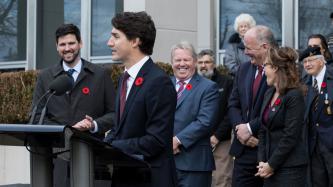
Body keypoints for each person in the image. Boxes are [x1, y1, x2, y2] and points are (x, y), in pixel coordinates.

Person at [31, 23, 116, 187]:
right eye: (62, 44)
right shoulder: (46, 77)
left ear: (80, 43)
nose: (67, 48)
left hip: (94, 157)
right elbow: (36, 117)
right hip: (57, 159)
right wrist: (66, 131)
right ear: (57, 47)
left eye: (71, 43)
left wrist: (94, 125)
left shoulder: (100, 75)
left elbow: (114, 114)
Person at [104, 11, 177, 187]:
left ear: (135, 41)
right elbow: (120, 128)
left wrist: (112, 147)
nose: (109, 42)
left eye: (116, 36)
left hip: (149, 178)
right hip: (126, 175)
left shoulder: (159, 82)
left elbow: (156, 140)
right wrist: (98, 143)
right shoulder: (124, 78)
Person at [228, 25, 277, 187]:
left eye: (249, 48)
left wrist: (249, 129)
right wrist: (241, 130)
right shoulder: (243, 69)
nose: (245, 52)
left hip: (268, 150)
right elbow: (233, 104)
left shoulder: (280, 71)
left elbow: (275, 108)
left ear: (265, 47)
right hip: (243, 149)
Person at [255, 47, 307, 186]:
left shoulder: (294, 96)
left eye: (265, 65)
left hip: (290, 169)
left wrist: (271, 164)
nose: (263, 70)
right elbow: (262, 129)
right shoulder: (269, 93)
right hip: (268, 168)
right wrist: (262, 162)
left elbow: (290, 135)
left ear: (275, 68)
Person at [171, 41, 219, 187]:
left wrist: (177, 140)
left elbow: (205, 121)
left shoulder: (208, 87)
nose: (182, 64)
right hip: (166, 162)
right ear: (171, 63)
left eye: (186, 60)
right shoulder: (163, 85)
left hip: (194, 163)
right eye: (177, 60)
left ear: (195, 61)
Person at [196, 49, 233, 187]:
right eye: (200, 62)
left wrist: (217, 135)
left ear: (214, 64)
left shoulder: (227, 82)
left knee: (221, 180)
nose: (203, 65)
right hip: (197, 140)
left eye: (207, 62)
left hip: (221, 141)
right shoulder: (193, 83)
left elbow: (231, 112)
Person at [301, 46, 333, 187]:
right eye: (305, 61)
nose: (307, 64)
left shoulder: (331, 78)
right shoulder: (305, 83)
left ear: (322, 61)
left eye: (311, 60)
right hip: (312, 145)